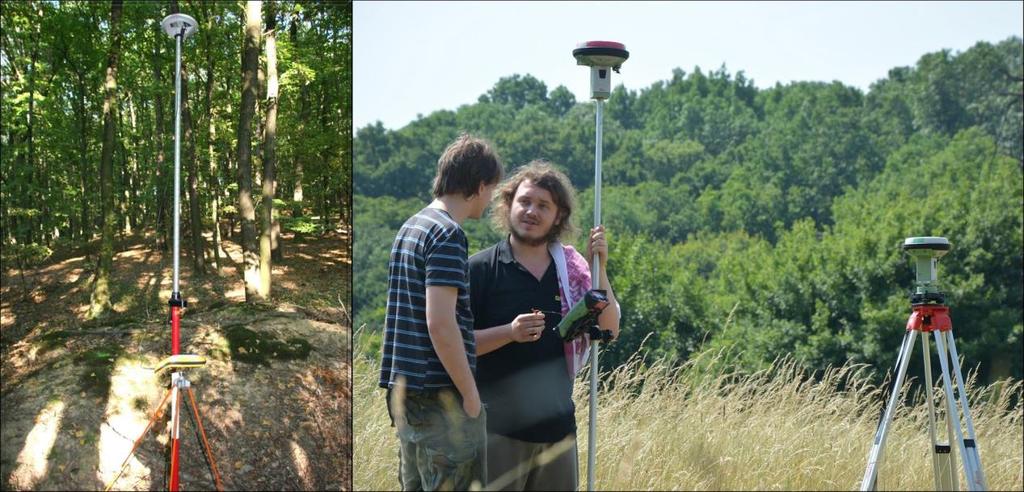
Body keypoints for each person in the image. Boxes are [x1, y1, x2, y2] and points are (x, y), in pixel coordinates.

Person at [468, 160, 620, 491]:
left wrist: (601, 267)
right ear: (508, 205)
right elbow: (455, 343)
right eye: (524, 201)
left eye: (543, 205)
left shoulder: (572, 272)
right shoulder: (480, 269)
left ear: (558, 216)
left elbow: (610, 328)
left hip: (558, 434)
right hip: (497, 434)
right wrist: (509, 334)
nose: (531, 211)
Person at [380, 134, 504, 491]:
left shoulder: (411, 227)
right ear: (480, 186)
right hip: (439, 396)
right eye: (492, 188)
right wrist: (469, 395)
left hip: (404, 391)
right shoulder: (448, 234)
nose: (492, 198)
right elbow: (440, 323)